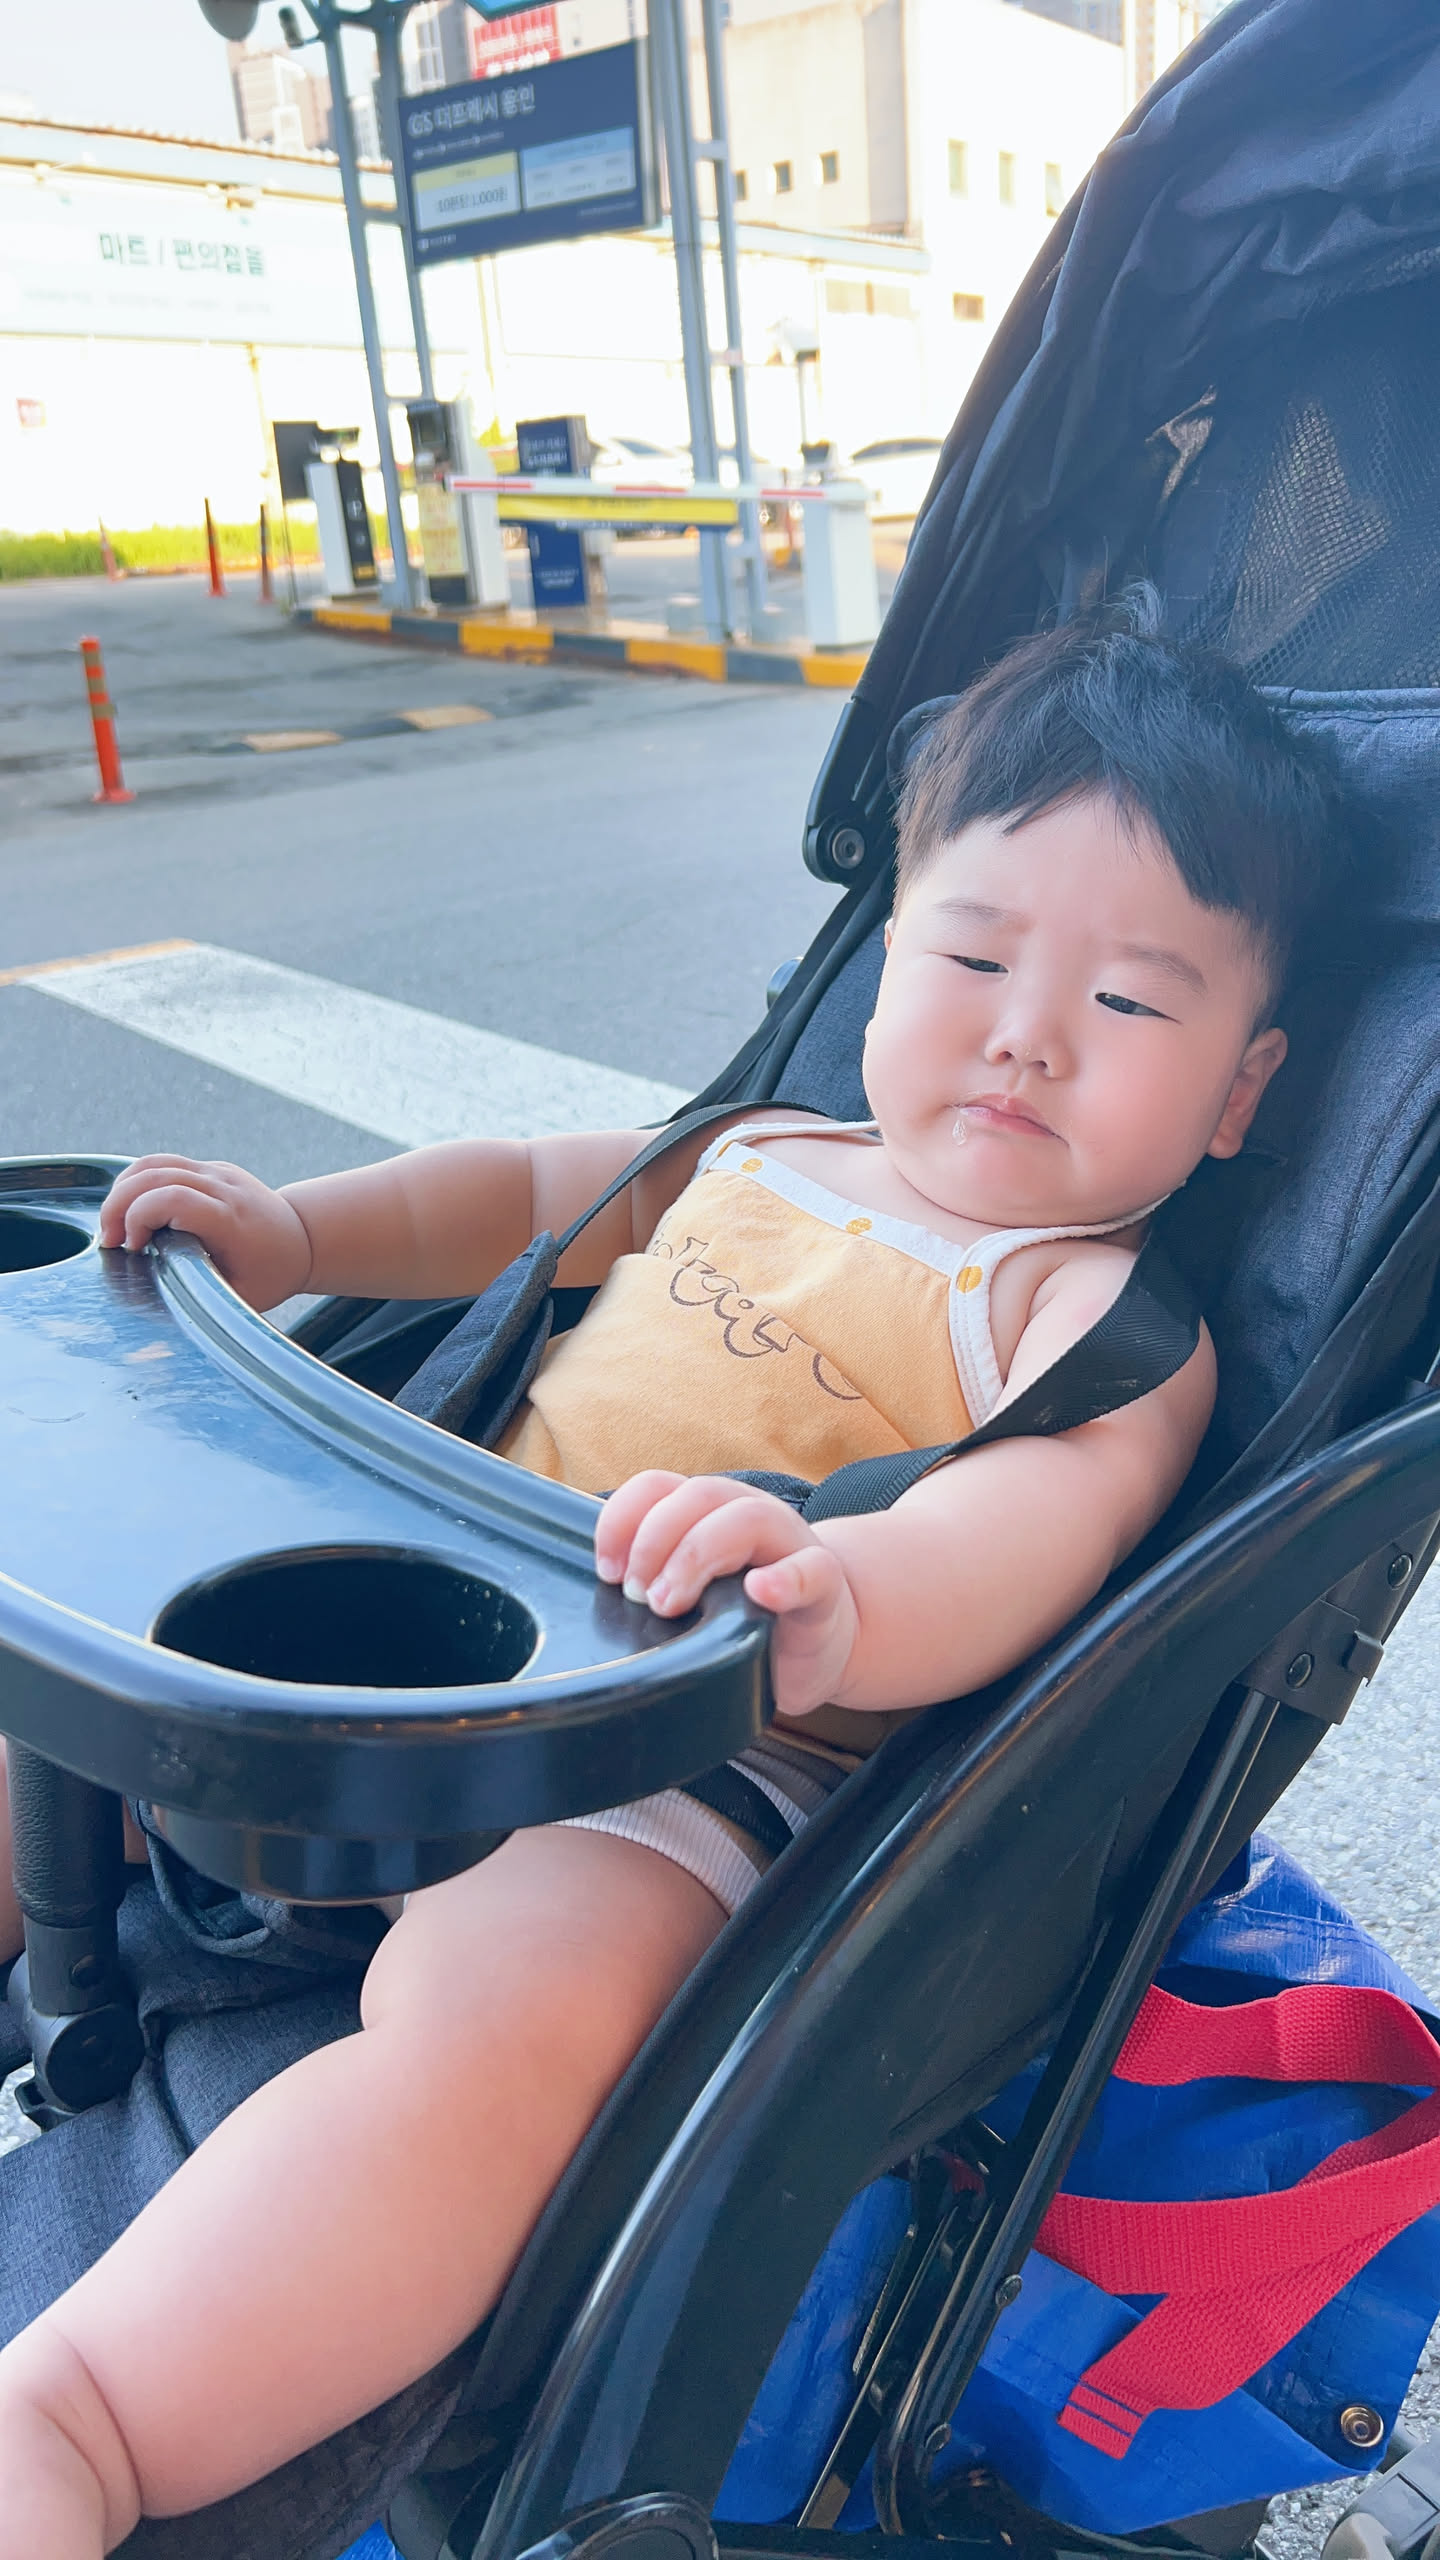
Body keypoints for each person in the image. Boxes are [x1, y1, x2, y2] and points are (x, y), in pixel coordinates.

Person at [0, 607, 1351, 2555]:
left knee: (505, 2044)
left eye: (1133, 1004)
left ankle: (92, 2413)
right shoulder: (759, 1146)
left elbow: (1030, 1526)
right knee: (62, 1715)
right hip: (409, 1636)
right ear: (887, 958)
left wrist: (840, 1591)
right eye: (975, 957)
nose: (1028, 1032)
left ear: (1240, 1093)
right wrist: (298, 1228)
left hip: (679, 1758)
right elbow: (506, 1192)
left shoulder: (1095, 1320)